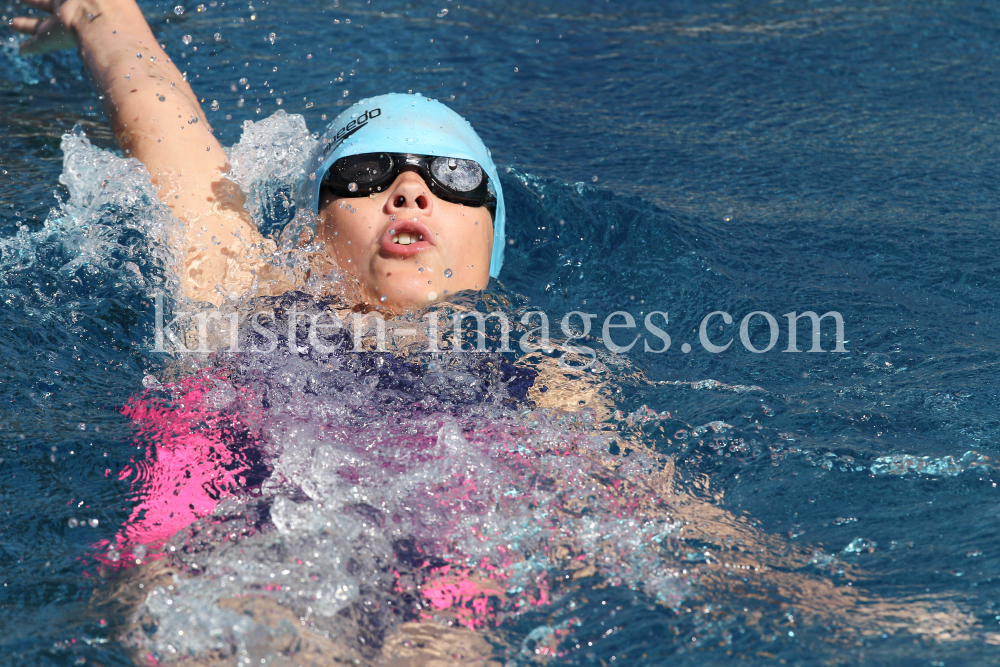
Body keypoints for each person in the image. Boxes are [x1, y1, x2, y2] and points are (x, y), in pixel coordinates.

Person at [12, 0, 505, 311]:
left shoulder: (556, 381)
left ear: (493, 235)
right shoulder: (242, 296)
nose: (410, 191)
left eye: (454, 176)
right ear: (312, 231)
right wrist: (97, 10)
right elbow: (163, 126)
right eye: (364, 173)